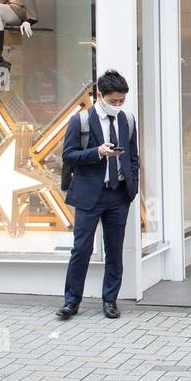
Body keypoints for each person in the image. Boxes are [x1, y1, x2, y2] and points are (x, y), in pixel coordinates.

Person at [57, 70, 139, 320]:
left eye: (121, 101)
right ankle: (71, 302)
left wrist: (132, 187)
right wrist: (97, 152)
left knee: (115, 250)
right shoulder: (80, 121)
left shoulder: (127, 120)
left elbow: (133, 157)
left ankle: (110, 300)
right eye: (113, 101)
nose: (118, 105)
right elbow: (68, 155)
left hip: (118, 194)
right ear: (100, 95)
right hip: (89, 195)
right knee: (81, 249)